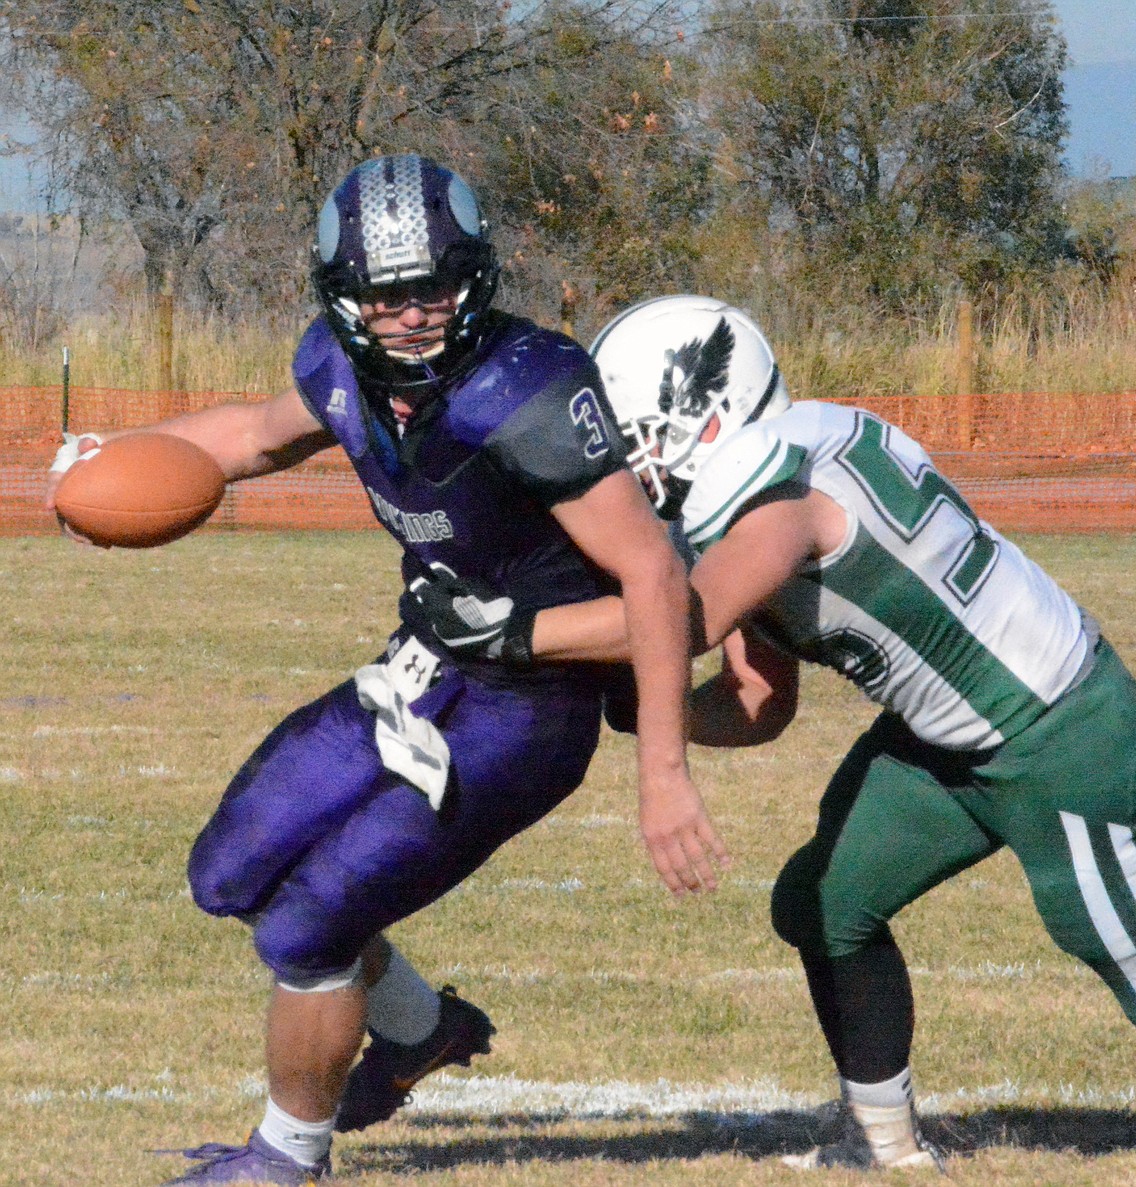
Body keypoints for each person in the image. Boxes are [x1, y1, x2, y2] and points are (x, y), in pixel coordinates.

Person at [46, 160, 726, 1186]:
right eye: (383, 293)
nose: (407, 315)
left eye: (429, 288)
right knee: (228, 873)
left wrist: (664, 771)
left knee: (311, 922)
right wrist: (107, 463)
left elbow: (653, 575)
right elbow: (245, 436)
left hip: (526, 711)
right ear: (341, 294)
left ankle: (286, 1159)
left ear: (474, 276)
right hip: (422, 667)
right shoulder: (338, 368)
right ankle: (418, 1030)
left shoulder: (525, 389)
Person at [411, 293, 1136, 1172]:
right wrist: (637, 708)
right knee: (826, 903)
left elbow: (683, 621)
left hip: (1055, 734)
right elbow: (760, 701)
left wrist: (519, 632)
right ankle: (882, 1141)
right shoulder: (775, 464)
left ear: (697, 415)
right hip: (951, 738)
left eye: (628, 434)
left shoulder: (779, 494)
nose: (611, 461)